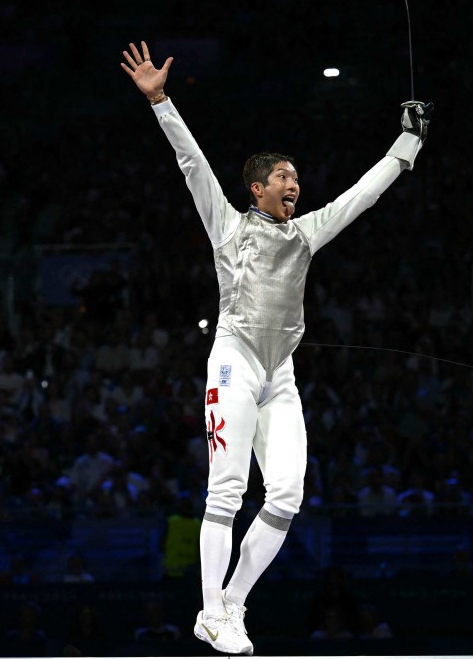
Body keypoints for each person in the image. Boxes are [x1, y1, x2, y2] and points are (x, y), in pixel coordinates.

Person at [121, 40, 431, 655]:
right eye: (284, 177)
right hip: (234, 362)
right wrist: (160, 101)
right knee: (227, 489)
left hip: (279, 374)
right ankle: (210, 609)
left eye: (296, 177)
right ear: (258, 188)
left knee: (287, 493)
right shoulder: (229, 225)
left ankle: (232, 606)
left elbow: (361, 195)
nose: (295, 184)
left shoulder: (306, 233)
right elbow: (192, 164)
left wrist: (408, 143)